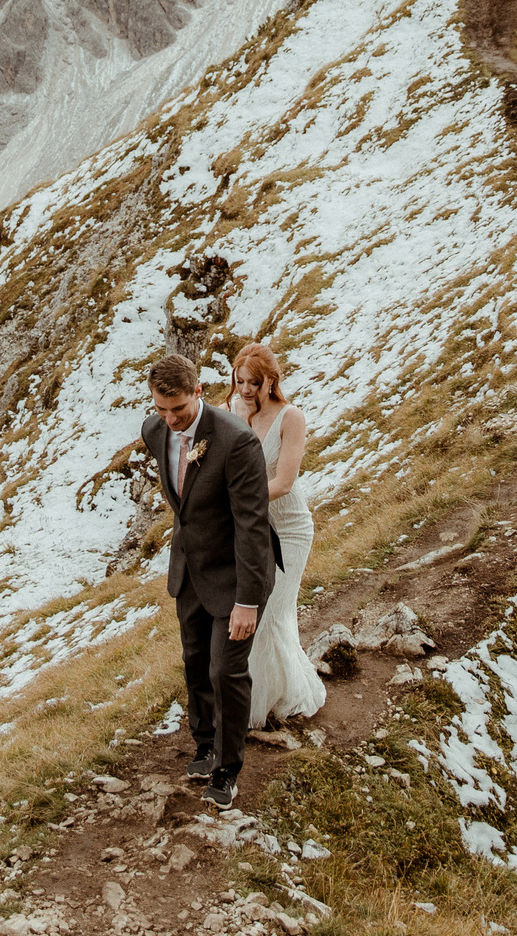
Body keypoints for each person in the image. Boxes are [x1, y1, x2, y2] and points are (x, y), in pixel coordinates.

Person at [140, 351, 275, 809]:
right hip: (190, 570)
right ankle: (204, 742)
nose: (170, 419)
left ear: (198, 392)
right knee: (195, 660)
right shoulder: (154, 430)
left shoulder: (237, 442)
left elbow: (253, 526)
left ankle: (228, 769)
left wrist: (248, 601)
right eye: (161, 409)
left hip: (237, 575)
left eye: (178, 409)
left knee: (226, 670)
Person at [228, 341, 326, 727]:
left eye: (254, 382)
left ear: (271, 381)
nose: (246, 390)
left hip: (289, 529)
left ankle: (275, 699)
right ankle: (258, 693)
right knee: (251, 612)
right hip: (254, 530)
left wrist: (235, 498)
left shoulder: (290, 418)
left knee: (271, 613)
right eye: (240, 382)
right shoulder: (233, 412)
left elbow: (283, 482)